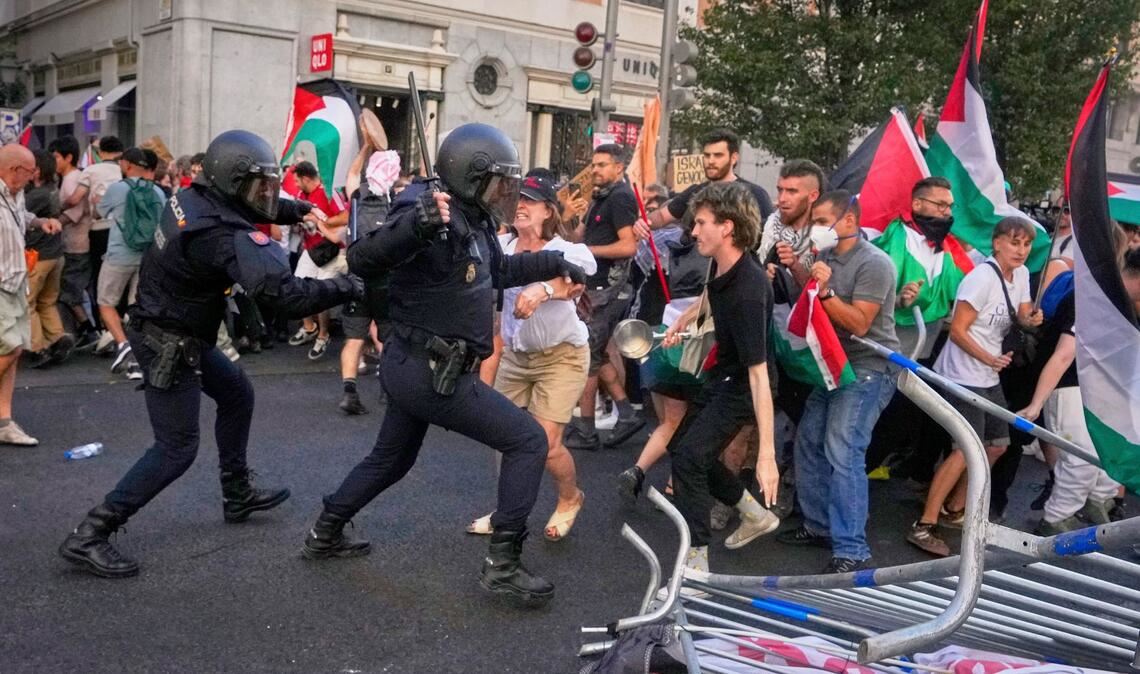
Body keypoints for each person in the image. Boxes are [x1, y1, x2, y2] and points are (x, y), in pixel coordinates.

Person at [302, 123, 587, 608]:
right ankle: (503, 566)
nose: (504, 194)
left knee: (392, 458)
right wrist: (416, 226)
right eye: (497, 183)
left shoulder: (472, 216)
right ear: (472, 175)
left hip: (419, 366)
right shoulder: (423, 206)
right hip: (432, 371)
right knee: (528, 441)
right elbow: (363, 257)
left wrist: (556, 264)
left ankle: (325, 530)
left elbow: (499, 269)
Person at [58, 130, 364, 578]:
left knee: (237, 394)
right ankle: (90, 533)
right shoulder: (220, 233)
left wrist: (296, 209)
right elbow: (285, 294)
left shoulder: (194, 197)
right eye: (260, 185)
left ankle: (236, 493)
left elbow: (248, 206)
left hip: (175, 328)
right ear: (233, 181)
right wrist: (348, 285)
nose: (265, 194)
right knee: (176, 448)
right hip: (169, 340)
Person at [658, 181, 780, 578]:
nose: (693, 231)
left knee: (690, 460)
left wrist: (767, 456)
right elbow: (712, 294)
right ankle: (754, 515)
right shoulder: (724, 262)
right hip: (723, 375)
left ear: (727, 227)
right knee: (682, 448)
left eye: (701, 223)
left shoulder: (749, 291)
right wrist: (684, 318)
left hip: (744, 386)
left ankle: (696, 564)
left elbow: (759, 375)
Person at [467, 173, 596, 541]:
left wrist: (542, 289)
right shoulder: (499, 248)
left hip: (562, 357)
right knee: (502, 437)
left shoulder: (565, 248)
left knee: (546, 444)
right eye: (515, 198)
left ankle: (570, 497)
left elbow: (580, 274)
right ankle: (508, 512)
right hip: (515, 357)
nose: (519, 205)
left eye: (529, 200)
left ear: (548, 211)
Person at [776, 190, 899, 573]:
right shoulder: (826, 256)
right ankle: (820, 526)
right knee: (809, 440)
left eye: (822, 221)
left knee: (844, 451)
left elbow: (859, 323)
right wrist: (797, 269)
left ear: (848, 220)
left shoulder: (875, 263)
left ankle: (853, 549)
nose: (815, 228)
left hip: (867, 368)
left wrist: (826, 290)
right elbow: (812, 297)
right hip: (833, 364)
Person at [906, 217, 1043, 557]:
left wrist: (1031, 319)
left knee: (996, 446)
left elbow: (1021, 313)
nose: (1021, 250)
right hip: (962, 375)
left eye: (1026, 244)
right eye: (1014, 242)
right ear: (997, 243)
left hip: (987, 376)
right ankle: (924, 524)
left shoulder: (1021, 275)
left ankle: (954, 509)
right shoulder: (981, 278)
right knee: (967, 449)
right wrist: (989, 357)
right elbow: (957, 331)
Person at [563, 144, 643, 452]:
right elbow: (576, 239)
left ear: (618, 168)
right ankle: (626, 414)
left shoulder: (621, 197)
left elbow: (628, 247)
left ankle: (586, 429)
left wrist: (587, 252)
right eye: (593, 164)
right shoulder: (600, 196)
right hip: (593, 289)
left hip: (609, 290)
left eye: (601, 165)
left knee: (588, 357)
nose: (594, 170)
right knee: (596, 355)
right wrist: (568, 217)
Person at [0, 144, 63, 446]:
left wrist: (39, 221)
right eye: (29, 172)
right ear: (14, 170)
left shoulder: (15, 193)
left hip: (16, 281)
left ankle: (4, 421)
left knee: (14, 353)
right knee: (9, 350)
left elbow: (21, 216)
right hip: (1, 284)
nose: (33, 177)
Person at [93, 147, 167, 381]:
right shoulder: (158, 191)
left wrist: (98, 201)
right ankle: (137, 361)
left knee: (106, 303)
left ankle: (123, 344)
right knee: (137, 308)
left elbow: (99, 212)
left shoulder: (118, 189)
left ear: (128, 165)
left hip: (119, 255)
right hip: (147, 257)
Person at [634, 128, 774, 240]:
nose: (710, 161)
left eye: (718, 155)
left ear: (734, 158)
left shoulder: (755, 194)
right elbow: (662, 216)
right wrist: (644, 222)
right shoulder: (695, 191)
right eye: (707, 155)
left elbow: (768, 236)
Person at [288, 160, 349, 360]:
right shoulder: (301, 196)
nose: (295, 184)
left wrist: (322, 222)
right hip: (310, 249)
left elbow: (346, 216)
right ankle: (309, 327)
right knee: (297, 286)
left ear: (306, 179)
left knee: (322, 293)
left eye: (297, 181)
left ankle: (323, 335)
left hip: (331, 250)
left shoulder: (328, 192)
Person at [23, 149, 74, 367]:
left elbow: (20, 215)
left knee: (28, 303)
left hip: (38, 255)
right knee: (47, 301)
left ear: (38, 170)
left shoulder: (36, 196)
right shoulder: (53, 189)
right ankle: (57, 337)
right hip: (55, 253)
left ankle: (37, 348)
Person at [757, 159, 824, 287]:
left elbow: (818, 290)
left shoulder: (826, 237)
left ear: (813, 196)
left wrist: (794, 265)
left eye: (792, 192)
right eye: (780, 190)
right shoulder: (763, 228)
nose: (782, 198)